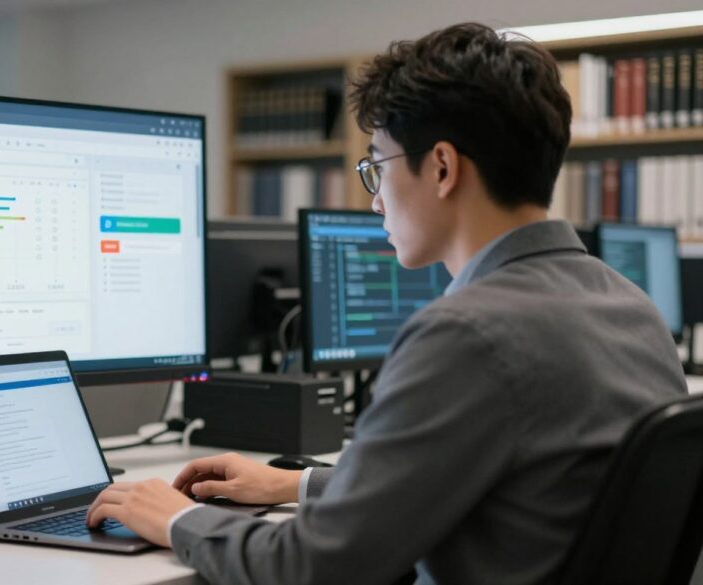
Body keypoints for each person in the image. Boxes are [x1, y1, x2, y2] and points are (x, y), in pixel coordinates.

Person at [86, 22, 688, 585]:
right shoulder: (631, 307)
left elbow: (314, 566)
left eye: (377, 165)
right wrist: (297, 484)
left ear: (443, 167)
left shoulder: (466, 334)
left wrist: (175, 518)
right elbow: (502, 482)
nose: (374, 200)